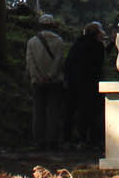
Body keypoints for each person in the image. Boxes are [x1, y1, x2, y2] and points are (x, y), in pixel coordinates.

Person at [63, 21, 109, 149]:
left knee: (74, 112)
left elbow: (68, 63)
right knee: (92, 113)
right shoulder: (97, 46)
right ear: (97, 33)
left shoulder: (77, 44)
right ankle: (93, 139)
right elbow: (98, 65)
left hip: (74, 84)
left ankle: (74, 138)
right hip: (91, 84)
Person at [25, 14, 69, 150]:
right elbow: (59, 61)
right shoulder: (59, 41)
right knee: (53, 111)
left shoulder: (32, 42)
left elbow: (30, 62)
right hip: (55, 81)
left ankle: (39, 140)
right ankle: (52, 140)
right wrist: (50, 76)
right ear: (53, 26)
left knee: (38, 111)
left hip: (37, 81)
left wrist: (36, 76)